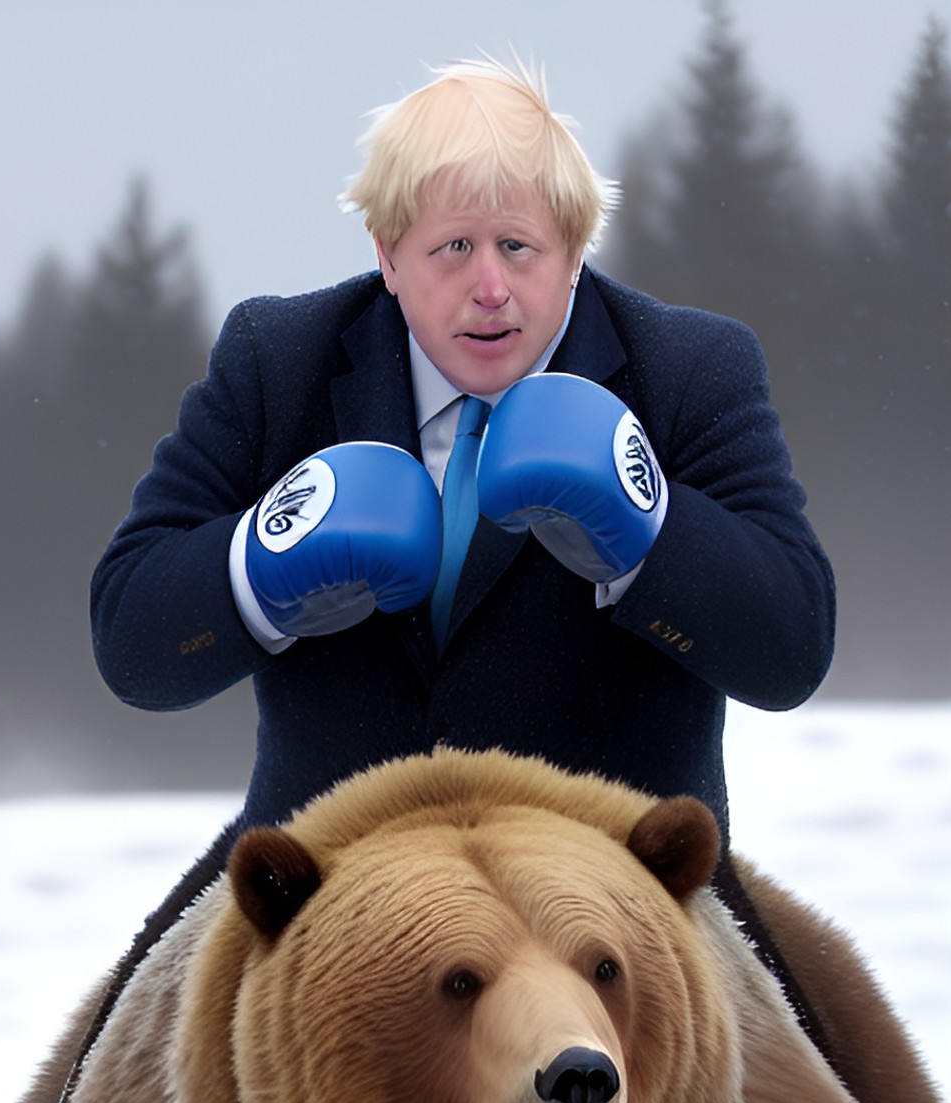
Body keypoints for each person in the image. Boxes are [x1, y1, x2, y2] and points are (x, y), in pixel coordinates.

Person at [91, 55, 834, 850]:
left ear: (576, 249)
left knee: (806, 978)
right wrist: (258, 566)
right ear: (387, 252)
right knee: (143, 979)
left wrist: (648, 531)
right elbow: (132, 646)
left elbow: (791, 652)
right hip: (326, 894)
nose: (490, 288)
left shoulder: (687, 369)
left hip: (612, 903)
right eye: (453, 248)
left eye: (519, 247)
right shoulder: (277, 361)